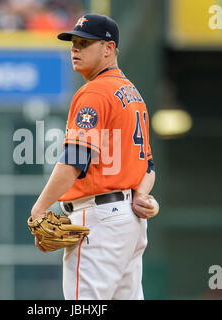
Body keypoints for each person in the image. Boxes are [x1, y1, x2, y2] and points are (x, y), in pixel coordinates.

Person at [30, 13, 157, 300]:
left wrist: (39, 209)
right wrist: (139, 195)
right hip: (129, 223)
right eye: (74, 42)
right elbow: (148, 166)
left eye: (85, 43)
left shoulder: (95, 92)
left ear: (108, 49)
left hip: (99, 222)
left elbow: (75, 160)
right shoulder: (133, 94)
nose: (75, 48)